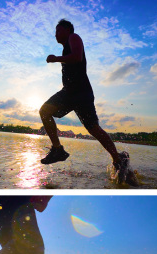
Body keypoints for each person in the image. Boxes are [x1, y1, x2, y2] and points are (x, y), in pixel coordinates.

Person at [40, 19, 138, 186]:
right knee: (94, 129)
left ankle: (57, 150)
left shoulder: (74, 37)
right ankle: (118, 160)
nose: (55, 34)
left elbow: (77, 57)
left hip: (75, 92)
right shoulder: (67, 46)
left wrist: (56, 59)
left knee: (44, 111)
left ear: (67, 30)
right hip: (81, 93)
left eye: (58, 30)